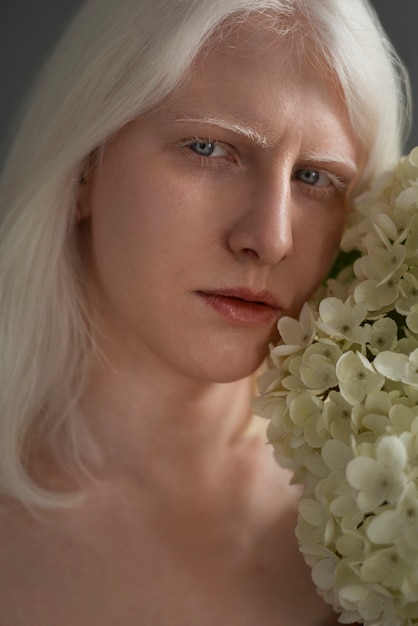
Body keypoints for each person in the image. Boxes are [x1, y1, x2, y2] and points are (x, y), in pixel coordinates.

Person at [0, 0, 410, 624]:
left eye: (314, 178)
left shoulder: (384, 529)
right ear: (83, 168)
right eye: (207, 148)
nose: (269, 239)